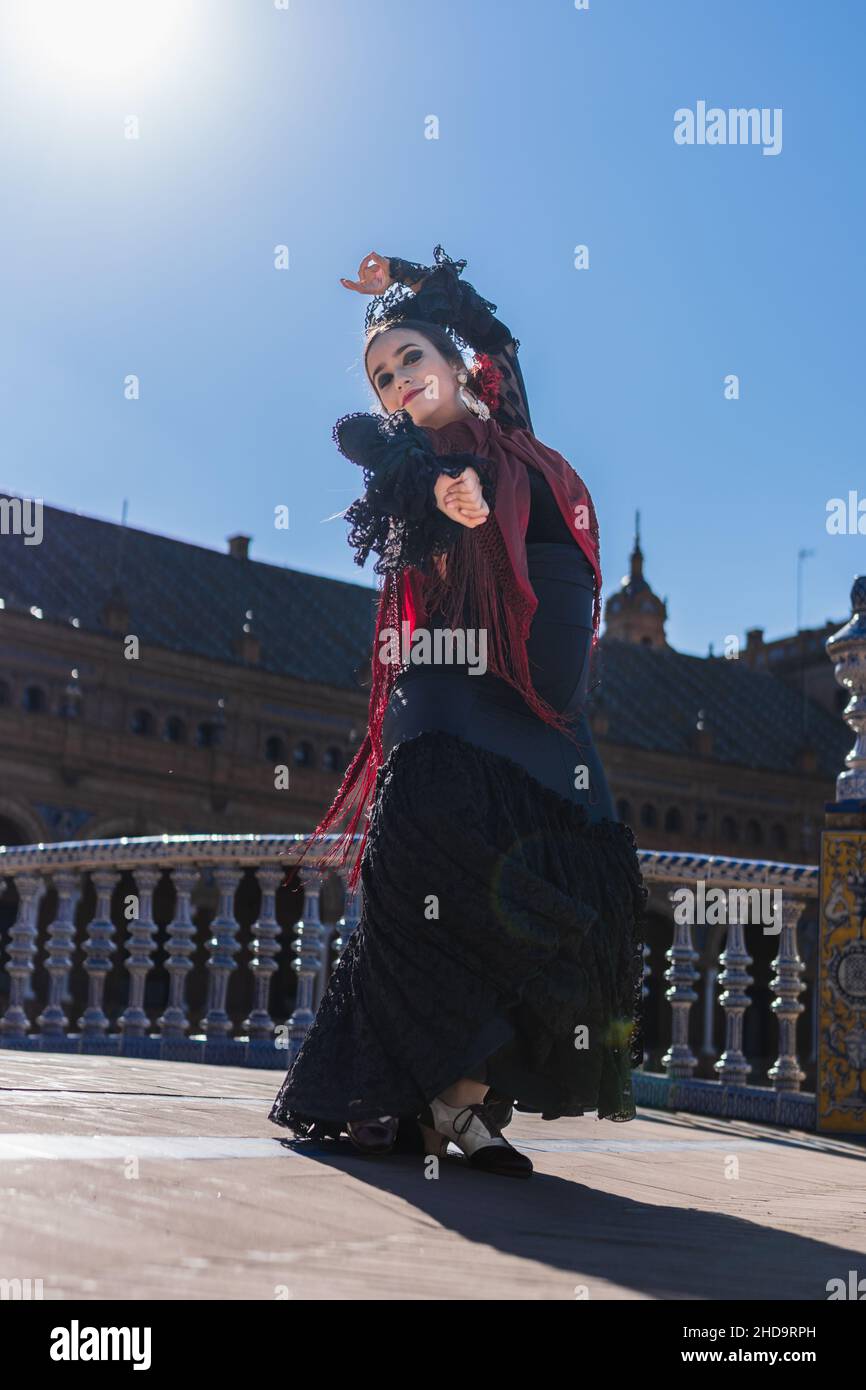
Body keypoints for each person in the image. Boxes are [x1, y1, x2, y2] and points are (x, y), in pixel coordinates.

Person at [268, 245, 648, 1179]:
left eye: (408, 358)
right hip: (458, 686)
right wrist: (445, 491)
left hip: (546, 704)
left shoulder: (511, 423)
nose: (398, 381)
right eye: (382, 375)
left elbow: (494, 330)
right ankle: (444, 1103)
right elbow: (393, 469)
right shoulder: (414, 463)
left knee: (571, 879)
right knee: (445, 872)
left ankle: (463, 1099)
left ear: (452, 359)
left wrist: (398, 274)